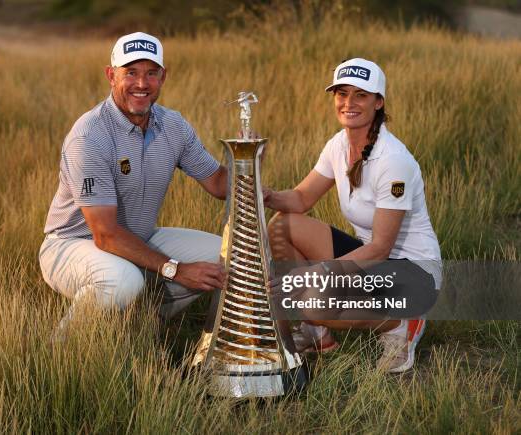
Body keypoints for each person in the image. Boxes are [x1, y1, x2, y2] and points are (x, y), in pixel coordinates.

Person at [39, 32, 228, 336]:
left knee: (227, 258)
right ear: (111, 76)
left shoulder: (174, 125)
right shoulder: (90, 136)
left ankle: (140, 326)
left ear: (163, 77)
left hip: (138, 238)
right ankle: (60, 349)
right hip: (72, 244)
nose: (142, 84)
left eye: (151, 73)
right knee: (123, 281)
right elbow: (105, 234)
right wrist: (176, 269)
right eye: (131, 73)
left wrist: (248, 162)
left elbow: (219, 184)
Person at [264, 58, 441, 373]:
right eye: (341, 93)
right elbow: (302, 198)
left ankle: (400, 324)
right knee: (283, 226)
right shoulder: (338, 144)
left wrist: (316, 273)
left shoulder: (393, 161)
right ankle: (316, 333)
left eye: (360, 95)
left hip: (414, 274)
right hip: (372, 260)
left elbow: (380, 248)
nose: (348, 103)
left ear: (378, 102)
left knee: (314, 299)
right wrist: (265, 194)